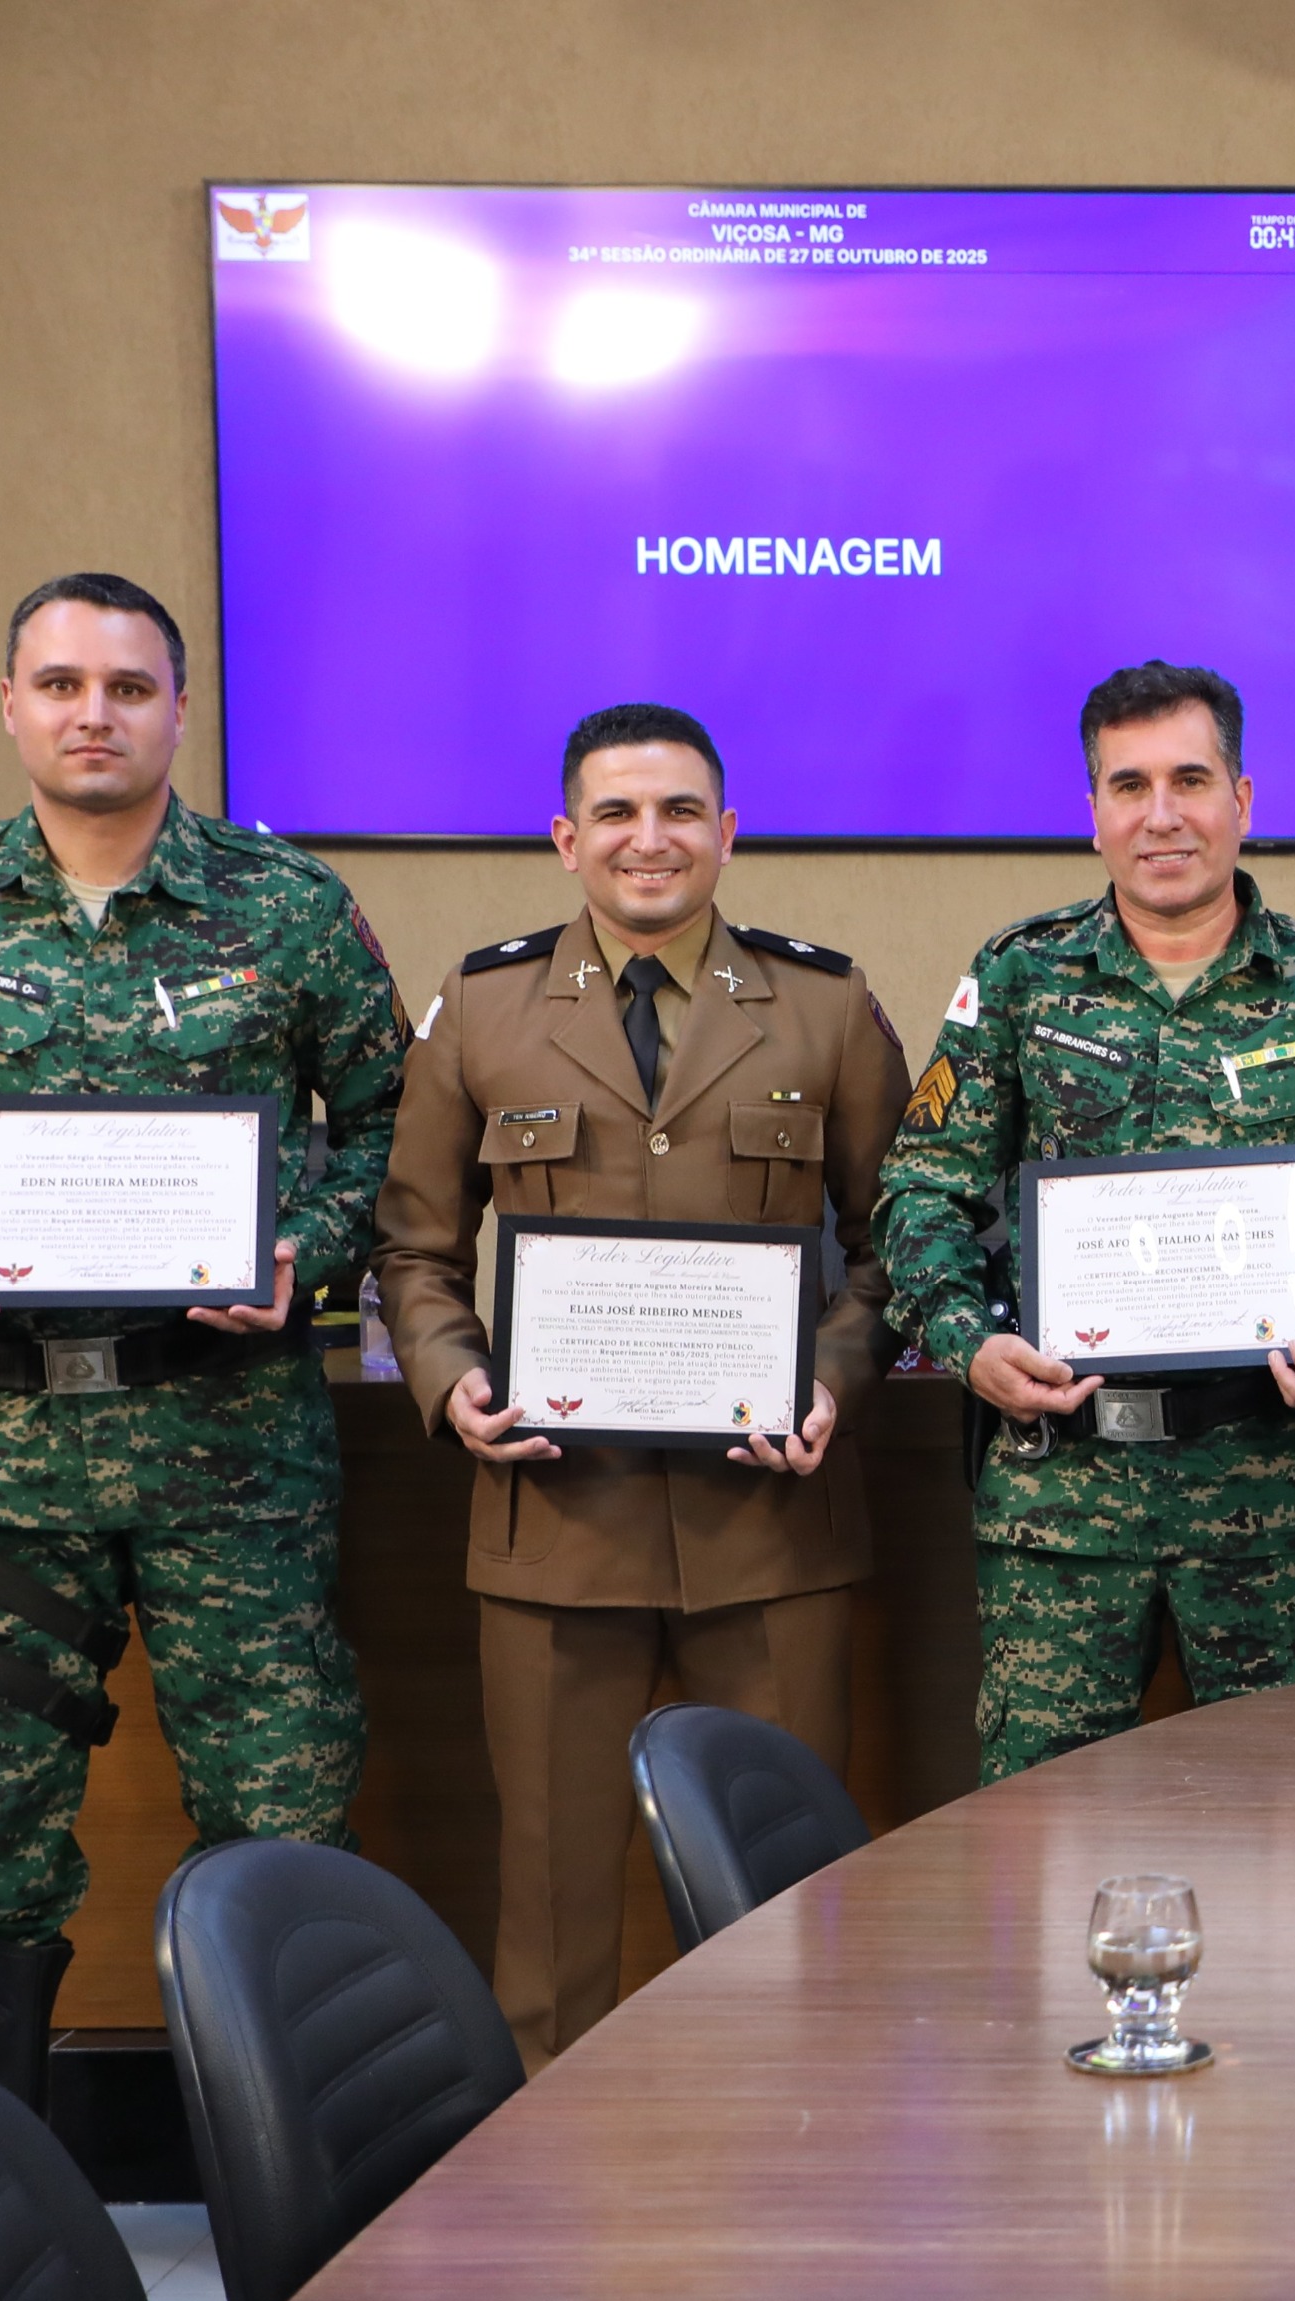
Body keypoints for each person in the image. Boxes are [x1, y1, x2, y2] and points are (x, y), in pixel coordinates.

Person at [0, 571, 406, 2109]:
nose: (93, 714)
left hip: (232, 1445)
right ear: (11, 705)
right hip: (6, 1451)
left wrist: (303, 1253)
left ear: (179, 711)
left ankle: (305, 2178)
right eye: (60, 684)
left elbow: (390, 1123)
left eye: (128, 688)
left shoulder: (290, 906)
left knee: (282, 1811)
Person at [373, 703, 907, 2064]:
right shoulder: (484, 1010)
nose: (648, 839)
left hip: (771, 1526)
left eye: (680, 811)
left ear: (728, 833)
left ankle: (780, 2179)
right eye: (616, 812)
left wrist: (836, 1379)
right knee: (552, 1925)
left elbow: (902, 1245)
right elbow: (414, 1247)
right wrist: (451, 1383)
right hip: (556, 1526)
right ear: (567, 840)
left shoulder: (828, 1008)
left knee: (782, 1911)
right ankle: (548, 2229)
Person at [874, 661, 1295, 1778]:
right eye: (1129, 785)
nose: (1161, 816)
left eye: (1190, 780)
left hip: (1275, 1491)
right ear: (1094, 811)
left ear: (1242, 801)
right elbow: (920, 1188)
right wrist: (970, 1346)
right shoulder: (1018, 980)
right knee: (1039, 1840)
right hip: (1062, 1500)